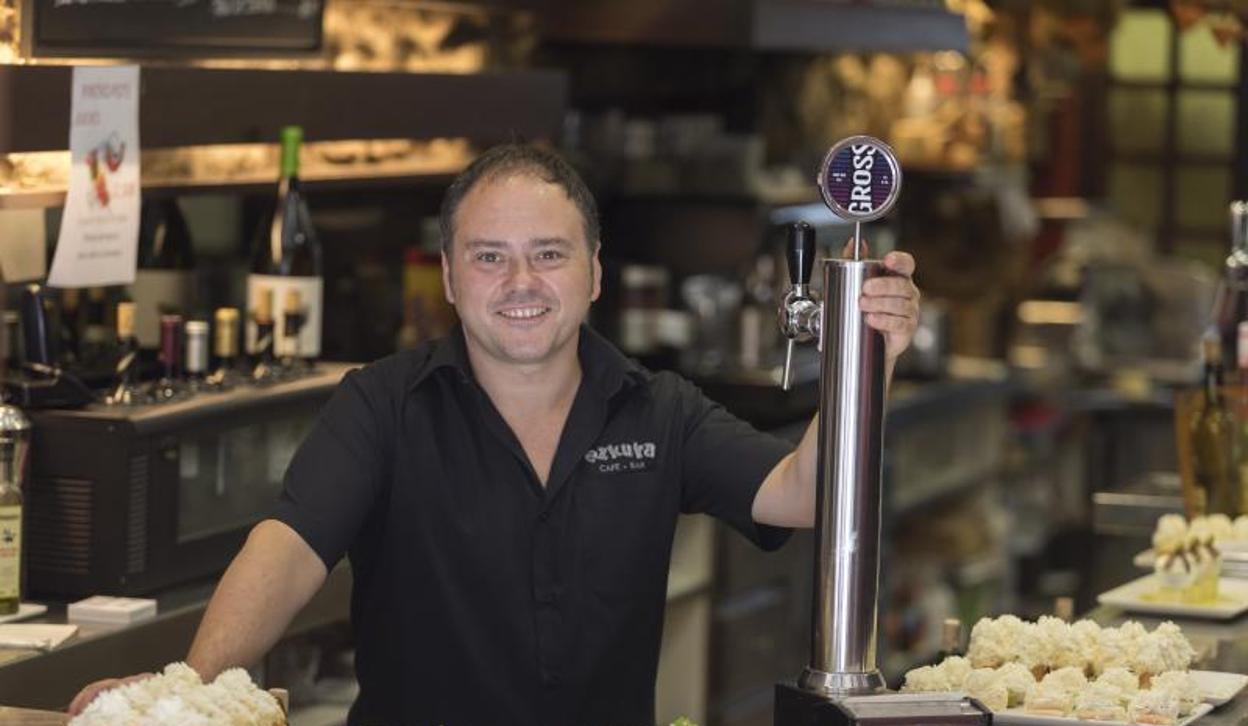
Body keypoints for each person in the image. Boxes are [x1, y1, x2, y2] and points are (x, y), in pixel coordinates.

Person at [69, 144, 920, 725]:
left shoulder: (660, 410)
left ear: (594, 272)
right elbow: (288, 547)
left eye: (549, 254)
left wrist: (866, 357)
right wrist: (190, 688)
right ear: (447, 275)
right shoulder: (382, 407)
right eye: (489, 256)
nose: (520, 283)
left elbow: (805, 495)